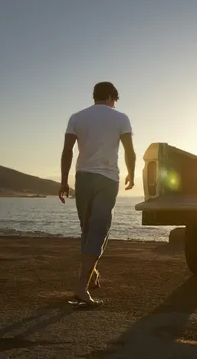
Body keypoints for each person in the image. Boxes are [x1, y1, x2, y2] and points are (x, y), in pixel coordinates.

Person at [59, 81, 136, 306]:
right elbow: (129, 150)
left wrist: (64, 181)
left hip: (82, 179)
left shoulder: (77, 117)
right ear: (111, 97)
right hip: (108, 178)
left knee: (88, 228)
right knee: (98, 230)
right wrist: (131, 173)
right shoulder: (120, 117)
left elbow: (67, 152)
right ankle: (81, 287)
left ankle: (90, 275)